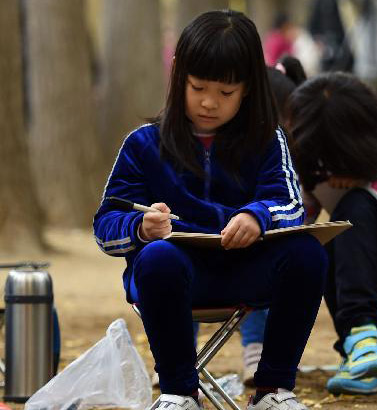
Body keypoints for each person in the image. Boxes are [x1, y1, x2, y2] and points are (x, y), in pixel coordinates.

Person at [93, 10, 325, 410]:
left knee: (308, 254)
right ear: (177, 73)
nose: (208, 102)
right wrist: (140, 226)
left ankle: (272, 391)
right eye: (197, 86)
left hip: (247, 271)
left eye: (225, 92)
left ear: (248, 88)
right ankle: (179, 393)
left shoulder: (267, 140)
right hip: (173, 276)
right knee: (158, 257)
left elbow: (291, 206)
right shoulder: (143, 145)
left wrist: (256, 216)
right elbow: (105, 226)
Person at [283, 72, 377, 395]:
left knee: (356, 204)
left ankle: (362, 337)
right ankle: (360, 343)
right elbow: (302, 210)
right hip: (353, 258)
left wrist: (370, 180)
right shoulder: (312, 145)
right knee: (320, 245)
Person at [236, 56, 309, 387]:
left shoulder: (292, 152)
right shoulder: (240, 149)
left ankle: (261, 350)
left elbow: (300, 206)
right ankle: (185, 353)